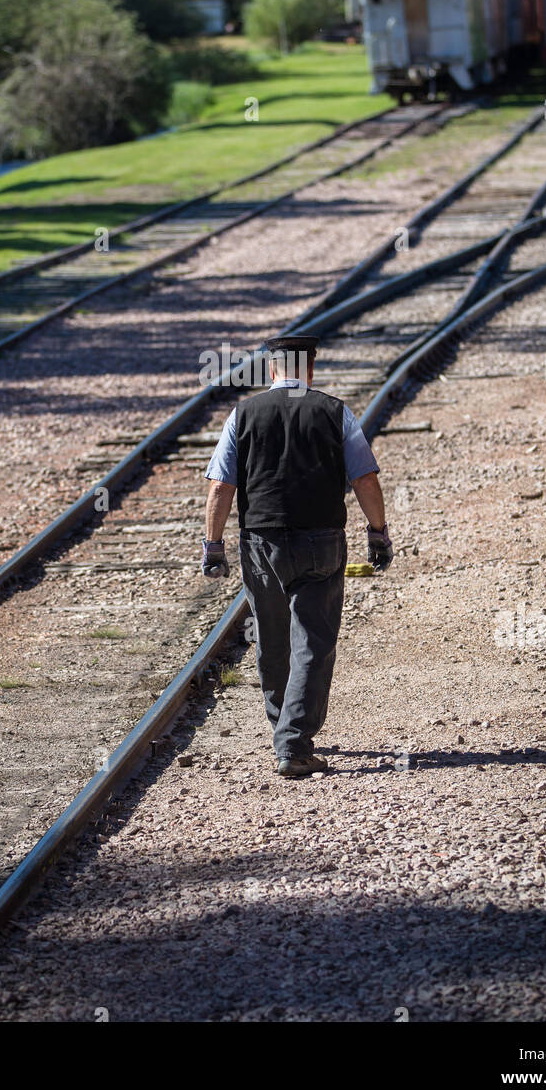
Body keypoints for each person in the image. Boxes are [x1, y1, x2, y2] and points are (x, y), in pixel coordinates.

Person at [201, 333, 393, 778]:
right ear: (311, 368)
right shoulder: (334, 411)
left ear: (271, 368)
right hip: (321, 540)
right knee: (314, 641)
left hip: (261, 543)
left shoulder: (243, 414)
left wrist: (213, 545)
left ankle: (284, 732)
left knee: (272, 639)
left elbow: (220, 486)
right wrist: (378, 533)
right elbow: (365, 478)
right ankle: (293, 740)